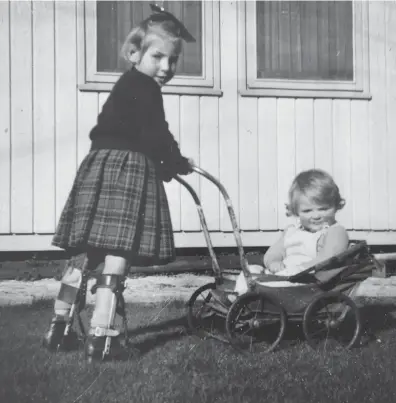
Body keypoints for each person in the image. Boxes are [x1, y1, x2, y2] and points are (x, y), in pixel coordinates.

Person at [43, 5, 195, 361]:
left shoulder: (127, 84)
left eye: (172, 61)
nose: (166, 68)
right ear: (134, 53)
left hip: (99, 165)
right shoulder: (146, 88)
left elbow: (140, 131)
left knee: (86, 253)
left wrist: (166, 160)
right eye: (158, 57)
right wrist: (175, 162)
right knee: (118, 252)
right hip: (129, 169)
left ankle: (59, 328)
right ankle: (102, 336)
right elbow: (156, 134)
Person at [223, 169, 349, 299]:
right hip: (283, 274)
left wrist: (301, 269)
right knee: (251, 270)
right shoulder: (291, 231)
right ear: (296, 211)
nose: (316, 216)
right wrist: (274, 262)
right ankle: (240, 297)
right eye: (307, 211)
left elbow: (328, 259)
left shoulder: (335, 231)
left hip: (306, 279)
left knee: (271, 282)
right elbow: (274, 252)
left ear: (336, 206)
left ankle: (253, 297)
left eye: (324, 209)